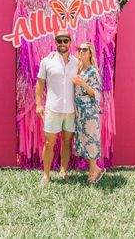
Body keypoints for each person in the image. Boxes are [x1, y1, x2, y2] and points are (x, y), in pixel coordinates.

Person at [36, 30, 78, 186]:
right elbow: (40, 83)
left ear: (70, 42)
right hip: (52, 108)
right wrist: (39, 104)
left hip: (71, 110)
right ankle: (46, 175)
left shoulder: (76, 62)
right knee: (49, 143)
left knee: (67, 142)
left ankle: (63, 171)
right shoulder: (47, 61)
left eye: (65, 41)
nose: (62, 44)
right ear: (55, 43)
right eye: (59, 41)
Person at [73, 42, 105, 183]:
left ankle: (93, 172)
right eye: (79, 49)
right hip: (79, 111)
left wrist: (83, 84)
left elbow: (96, 93)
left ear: (90, 52)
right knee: (83, 141)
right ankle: (96, 169)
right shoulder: (78, 68)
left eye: (84, 49)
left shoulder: (92, 71)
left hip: (89, 111)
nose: (81, 51)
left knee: (91, 140)